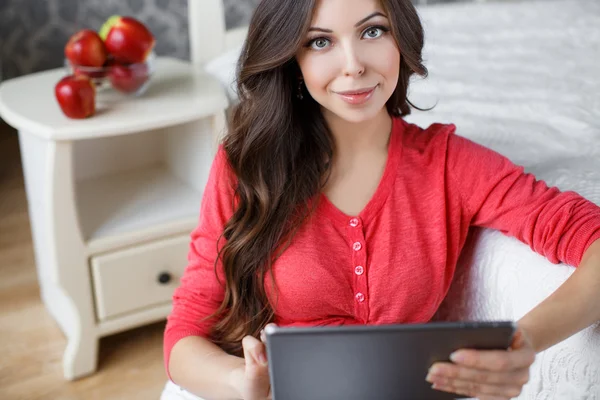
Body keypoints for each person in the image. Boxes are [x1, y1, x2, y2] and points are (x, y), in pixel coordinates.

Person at [161, 0, 600, 399]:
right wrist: (240, 382)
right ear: (291, 58)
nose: (353, 66)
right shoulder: (246, 166)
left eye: (372, 32)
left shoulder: (451, 164)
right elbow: (186, 329)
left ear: (400, 37)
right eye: (319, 42)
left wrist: (521, 342)